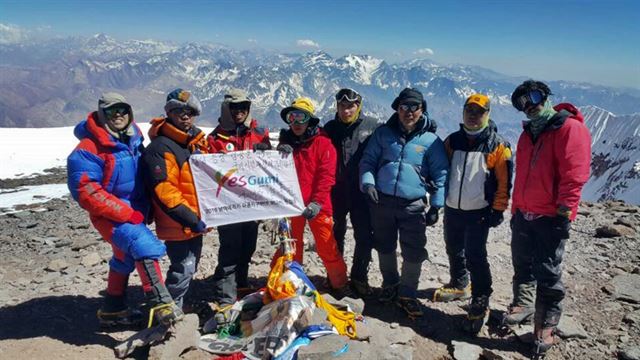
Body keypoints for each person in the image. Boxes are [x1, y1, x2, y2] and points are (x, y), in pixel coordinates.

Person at [67, 92, 182, 327]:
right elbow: (86, 191)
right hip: (110, 214)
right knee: (144, 246)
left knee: (124, 256)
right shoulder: (88, 149)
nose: (118, 116)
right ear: (102, 114)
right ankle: (162, 307)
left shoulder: (133, 136)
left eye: (122, 110)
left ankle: (113, 308)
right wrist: (125, 213)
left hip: (136, 209)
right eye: (111, 111)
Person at [507, 80, 591, 357]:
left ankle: (545, 326)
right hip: (525, 212)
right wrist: (516, 208)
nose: (529, 105)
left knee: (547, 271)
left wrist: (565, 213)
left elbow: (574, 175)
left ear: (545, 95)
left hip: (549, 215)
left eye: (532, 97)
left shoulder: (569, 129)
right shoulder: (528, 133)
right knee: (522, 262)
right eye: (522, 103)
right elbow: (522, 177)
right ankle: (524, 304)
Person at [359, 88, 448, 318]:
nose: (409, 112)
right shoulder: (383, 134)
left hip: (413, 205)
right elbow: (368, 161)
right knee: (384, 245)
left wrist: (436, 206)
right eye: (404, 107)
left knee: (413, 250)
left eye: (414, 107)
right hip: (382, 201)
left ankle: (407, 293)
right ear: (397, 109)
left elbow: (441, 175)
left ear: (422, 109)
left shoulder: (431, 141)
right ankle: (391, 285)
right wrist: (368, 183)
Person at [435, 93, 512, 334]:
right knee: (453, 247)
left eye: (479, 111)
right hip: (453, 208)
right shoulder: (452, 140)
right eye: (469, 109)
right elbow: (441, 169)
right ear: (463, 112)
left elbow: (504, 181)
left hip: (479, 211)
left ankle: (481, 296)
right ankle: (460, 284)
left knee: (476, 255)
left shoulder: (498, 145)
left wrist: (498, 209)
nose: (473, 115)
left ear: (487, 115)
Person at [271, 97, 349, 295]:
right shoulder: (286, 144)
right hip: (292, 204)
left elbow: (327, 177)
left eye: (301, 117)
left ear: (310, 120)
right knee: (289, 247)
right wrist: (278, 155)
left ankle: (339, 284)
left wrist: (317, 202)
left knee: (326, 247)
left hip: (318, 206)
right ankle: (289, 283)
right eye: (292, 118)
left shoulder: (323, 144)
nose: (296, 123)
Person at [142, 88, 210, 311]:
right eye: (179, 110)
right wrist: (191, 218)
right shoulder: (161, 148)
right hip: (179, 223)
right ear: (168, 112)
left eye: (190, 112)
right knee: (183, 268)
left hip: (194, 222)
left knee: (189, 266)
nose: (185, 116)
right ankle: (168, 315)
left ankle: (173, 309)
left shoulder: (192, 144)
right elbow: (164, 190)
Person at [207, 89, 271, 310]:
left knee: (248, 245)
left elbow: (271, 167)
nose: (239, 112)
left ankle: (241, 284)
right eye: (234, 108)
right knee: (230, 248)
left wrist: (270, 151)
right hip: (228, 205)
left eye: (243, 107)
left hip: (252, 204)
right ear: (226, 109)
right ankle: (225, 295)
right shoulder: (215, 139)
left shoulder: (259, 133)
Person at [324, 88, 378, 297]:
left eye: (351, 106)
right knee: (335, 234)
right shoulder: (329, 128)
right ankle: (336, 277)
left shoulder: (373, 127)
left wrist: (425, 122)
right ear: (337, 107)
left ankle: (359, 276)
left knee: (364, 235)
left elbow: (397, 131)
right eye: (342, 106)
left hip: (361, 191)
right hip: (336, 190)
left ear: (359, 106)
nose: (346, 110)